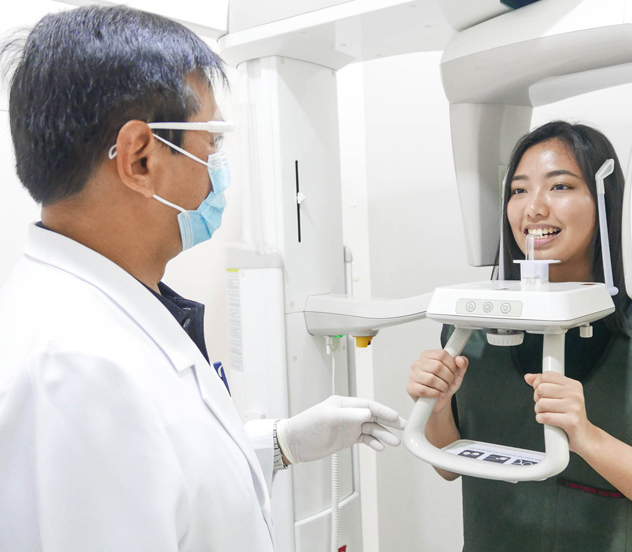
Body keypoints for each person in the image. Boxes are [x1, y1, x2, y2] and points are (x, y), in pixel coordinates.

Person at [0, 6, 405, 552]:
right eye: (210, 142)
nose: (218, 166)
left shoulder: (98, 313)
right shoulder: (77, 368)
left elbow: (164, 483)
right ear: (140, 159)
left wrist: (280, 444)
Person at [407, 121, 632, 551]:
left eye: (560, 187)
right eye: (518, 190)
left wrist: (585, 435)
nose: (533, 208)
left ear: (603, 201)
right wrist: (437, 407)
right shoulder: (470, 327)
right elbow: (449, 464)